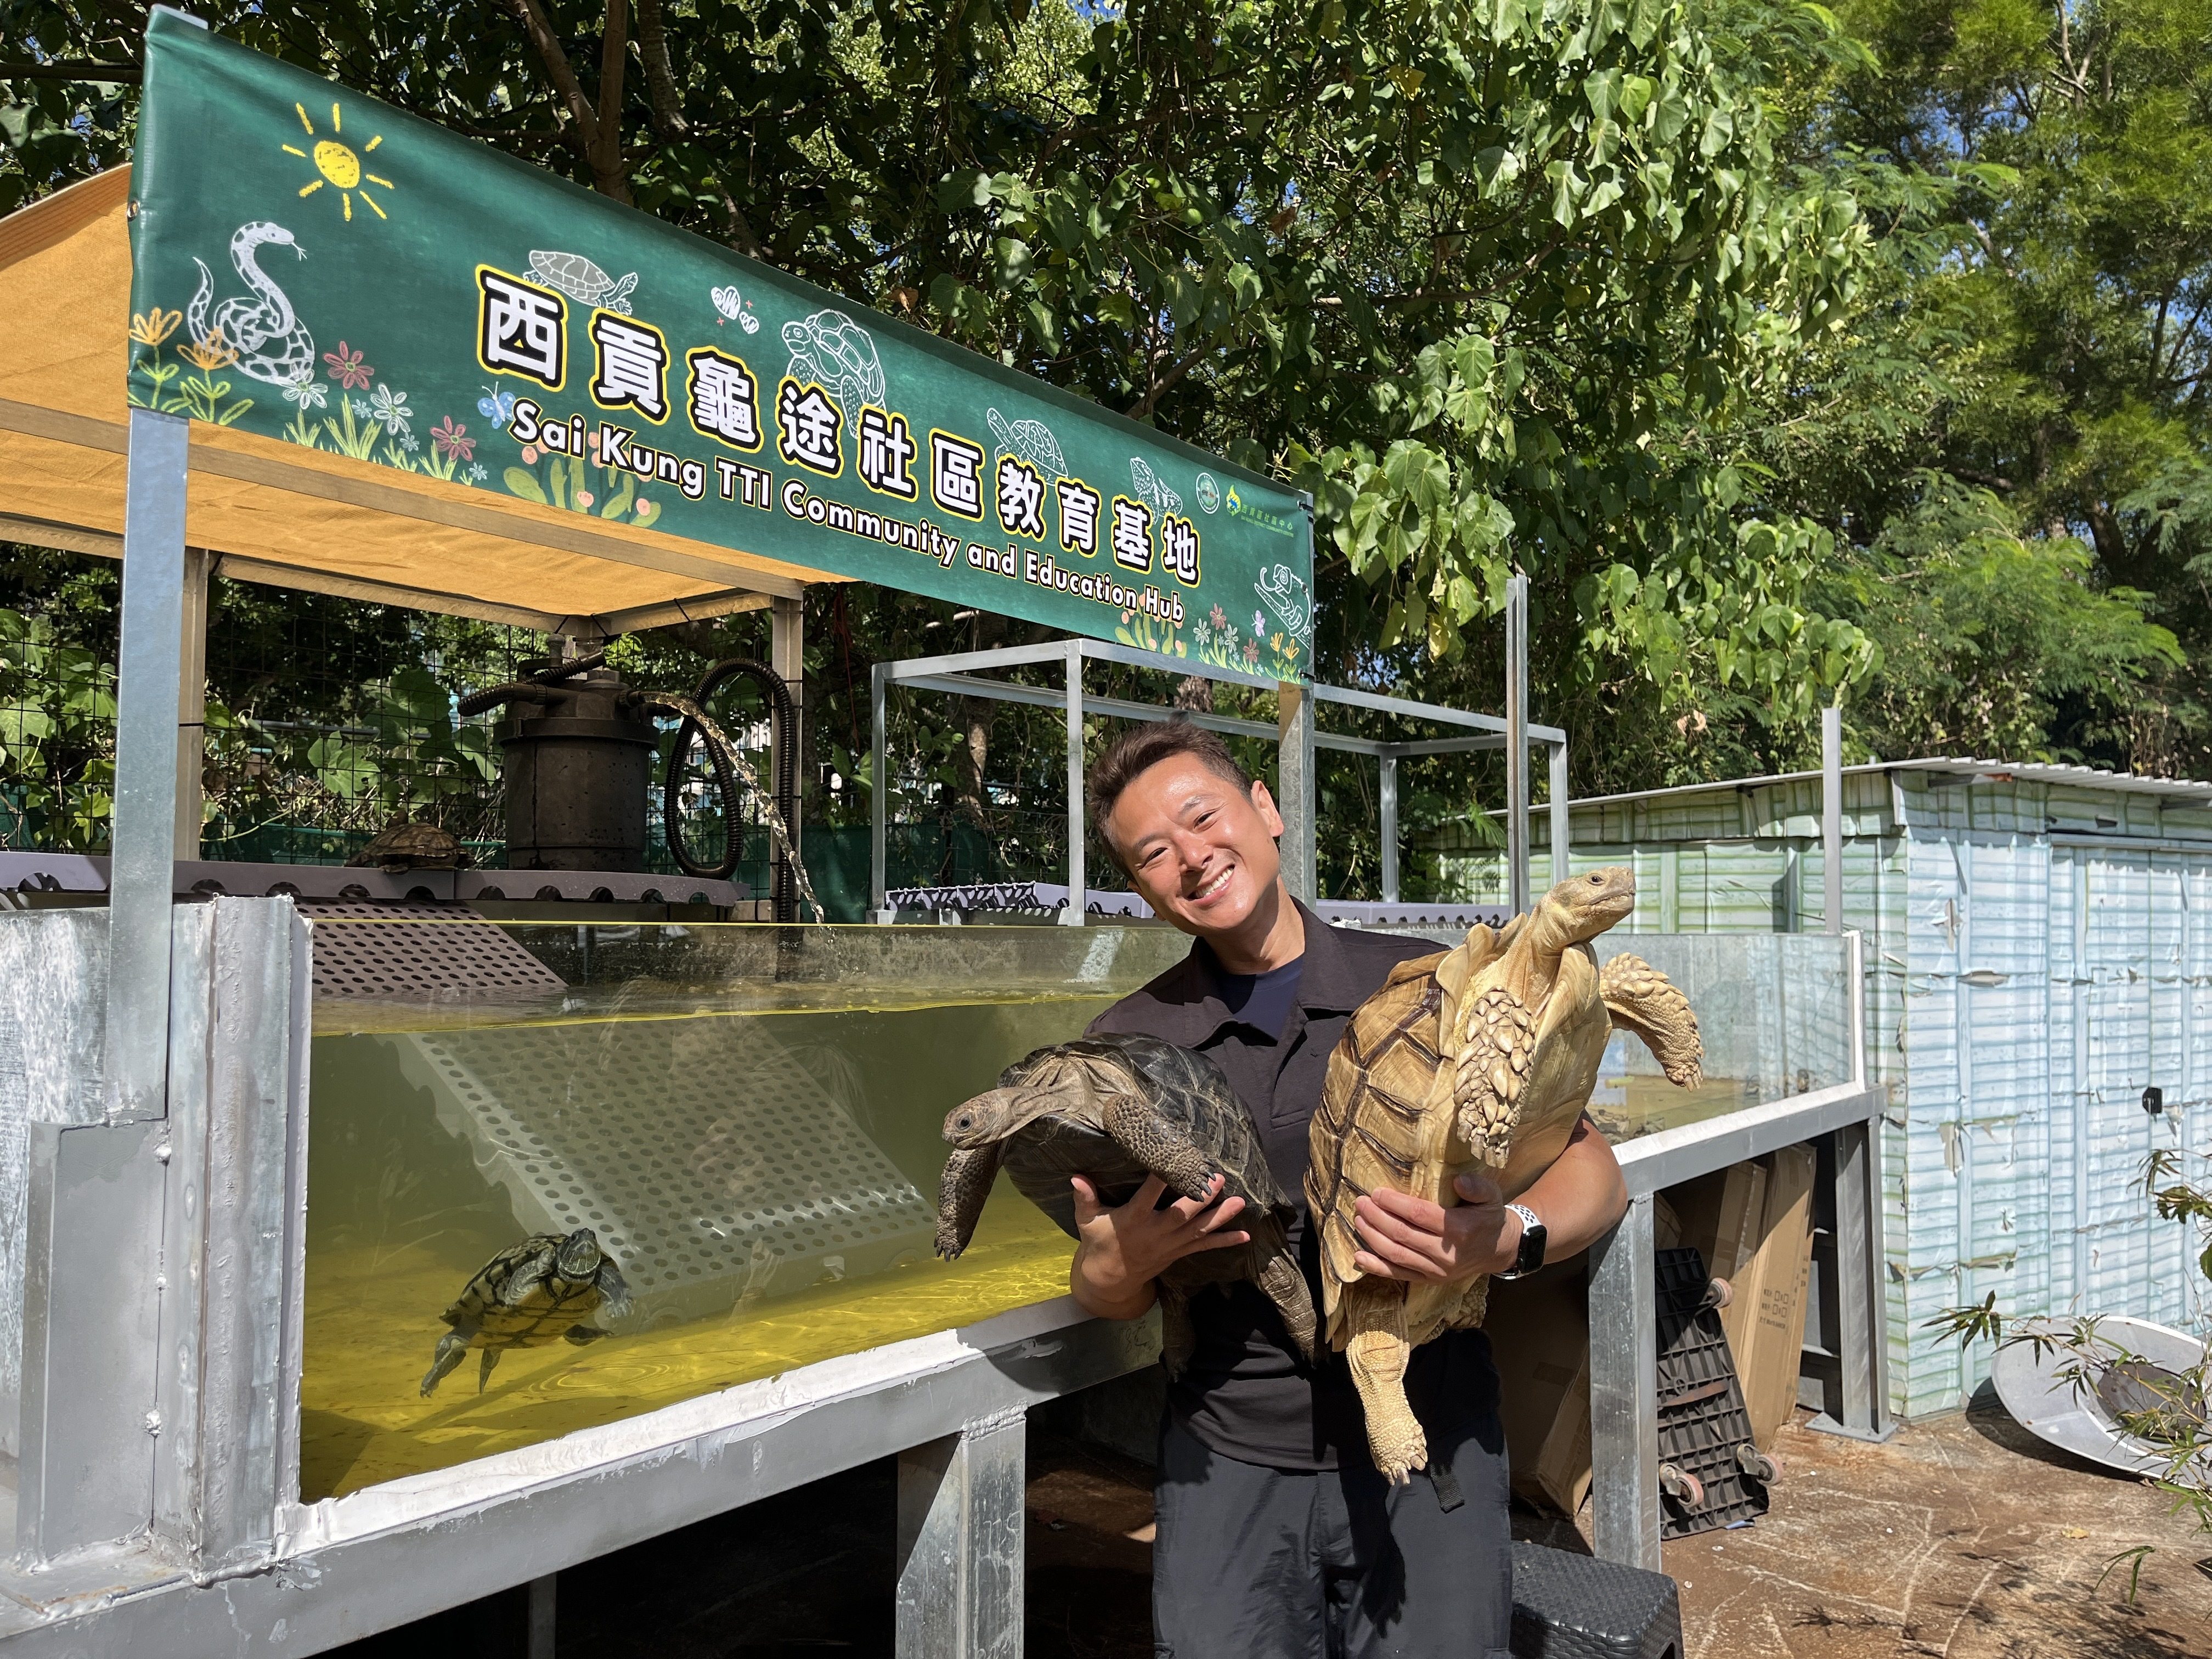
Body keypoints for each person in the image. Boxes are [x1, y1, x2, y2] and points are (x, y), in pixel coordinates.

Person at [1070, 718, 1629, 1658]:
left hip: (1430, 1445)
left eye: (1203, 818)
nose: (1192, 860)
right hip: (1229, 1462)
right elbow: (1103, 1283)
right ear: (1143, 892)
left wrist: (1506, 1238)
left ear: (1266, 809)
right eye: (1153, 856)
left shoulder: (1426, 982)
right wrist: (1113, 1271)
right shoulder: (1129, 1046)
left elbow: (1592, 1171)